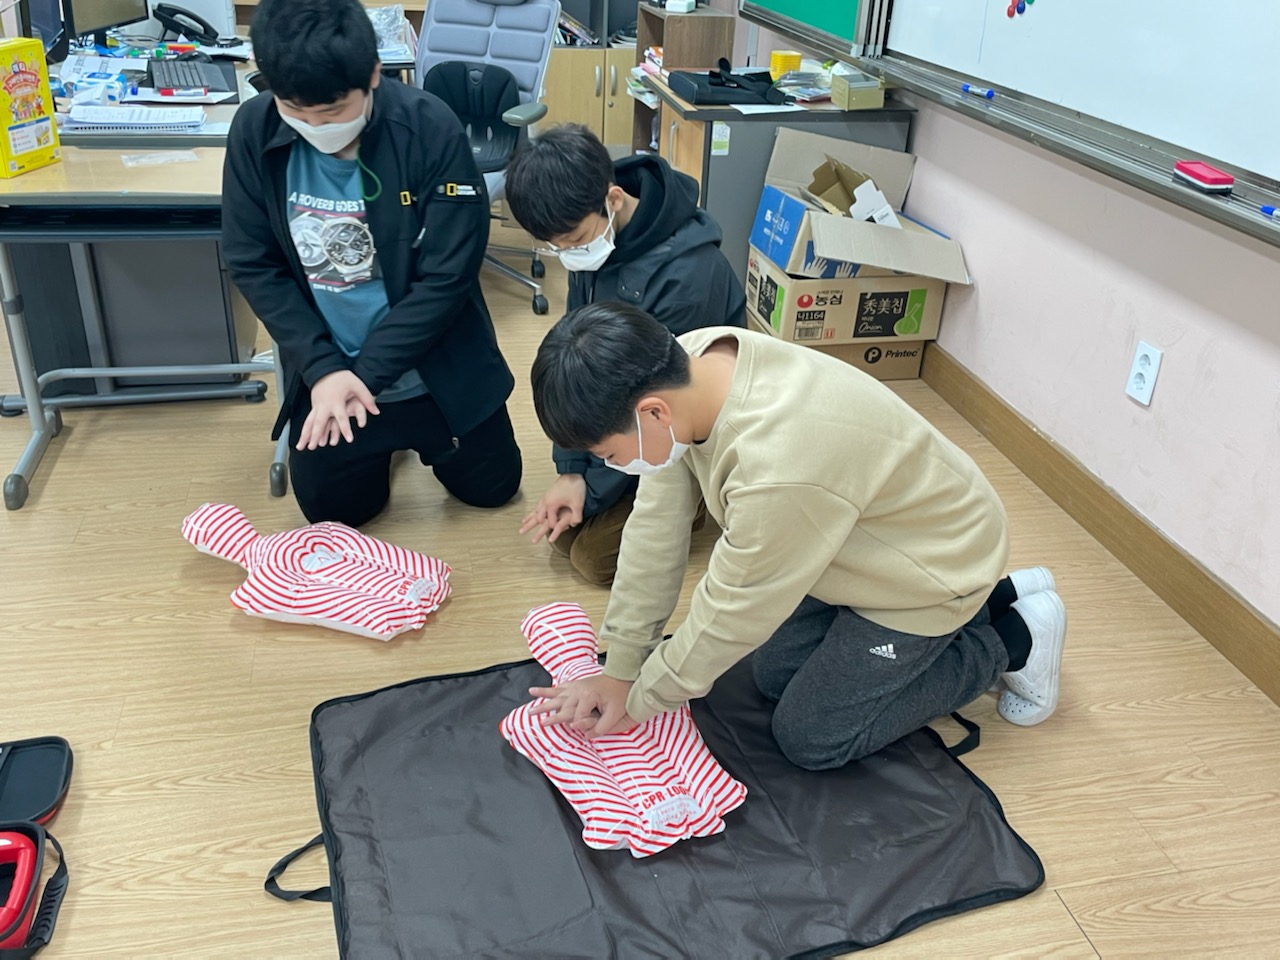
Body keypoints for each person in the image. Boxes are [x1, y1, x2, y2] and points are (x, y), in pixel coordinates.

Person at [525, 303, 1068, 769]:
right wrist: (621, 668)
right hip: (867, 539)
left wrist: (640, 699)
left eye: (607, 453)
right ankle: (995, 598)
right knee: (773, 675)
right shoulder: (688, 360)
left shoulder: (774, 468)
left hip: (936, 568)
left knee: (811, 737)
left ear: (652, 413)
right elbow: (654, 533)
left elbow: (733, 610)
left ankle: (1014, 639)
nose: (612, 466)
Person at [222, 0, 521, 527]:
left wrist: (362, 377)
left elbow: (448, 276)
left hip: (435, 368)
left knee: (493, 491)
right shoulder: (254, 129)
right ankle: (376, 441)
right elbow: (252, 261)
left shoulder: (430, 127)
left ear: (375, 74)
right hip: (330, 372)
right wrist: (325, 370)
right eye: (296, 111)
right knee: (336, 517)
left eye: (333, 111)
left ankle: (413, 434)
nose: (315, 126)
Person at [503, 124, 746, 584]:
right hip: (628, 411)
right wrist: (572, 471)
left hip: (680, 427)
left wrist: (591, 491)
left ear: (613, 199)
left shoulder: (688, 275)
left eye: (573, 239)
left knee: (592, 558)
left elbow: (659, 406)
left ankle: (699, 503)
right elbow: (574, 358)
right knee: (566, 536)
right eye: (555, 246)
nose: (567, 254)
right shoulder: (594, 242)